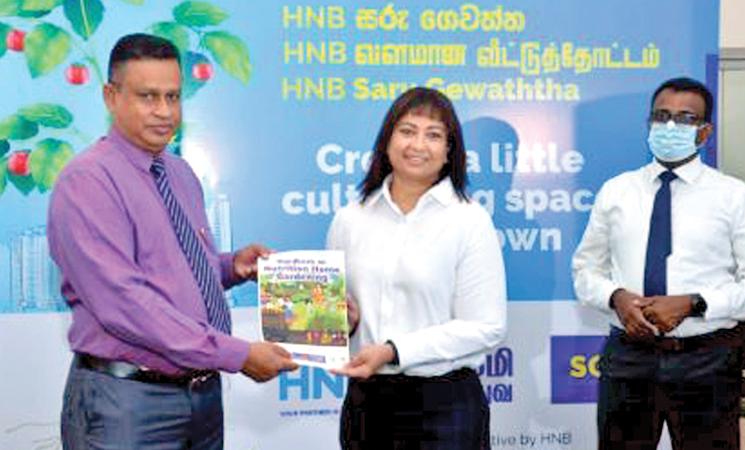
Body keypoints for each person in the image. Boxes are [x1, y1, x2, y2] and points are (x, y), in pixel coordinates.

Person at [47, 33, 297, 450]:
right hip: (127, 403)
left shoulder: (179, 173)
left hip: (200, 397)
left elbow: (174, 273)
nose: (164, 112)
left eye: (174, 96)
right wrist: (237, 354)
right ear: (111, 96)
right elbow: (125, 304)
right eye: (148, 96)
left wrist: (231, 266)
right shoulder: (87, 182)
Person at [572, 77, 745, 450]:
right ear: (648, 123)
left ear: (705, 132)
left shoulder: (735, 197)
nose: (670, 127)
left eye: (685, 119)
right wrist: (616, 296)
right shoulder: (617, 191)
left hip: (708, 360)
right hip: (628, 360)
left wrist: (694, 303)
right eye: (661, 116)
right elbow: (585, 270)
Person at [327, 87, 507, 449]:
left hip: (445, 406)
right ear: (387, 140)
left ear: (448, 152)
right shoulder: (350, 219)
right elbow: (338, 316)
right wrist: (341, 321)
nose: (418, 145)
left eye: (434, 135)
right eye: (407, 131)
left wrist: (395, 349)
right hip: (367, 404)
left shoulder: (469, 221)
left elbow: (487, 327)